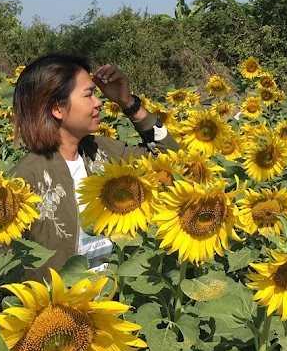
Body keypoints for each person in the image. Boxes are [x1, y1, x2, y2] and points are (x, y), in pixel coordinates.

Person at [10, 53, 178, 279]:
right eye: (89, 94)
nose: (99, 102)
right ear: (57, 108)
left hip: (113, 300)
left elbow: (171, 161)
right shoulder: (26, 178)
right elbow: (6, 263)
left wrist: (128, 103)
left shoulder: (101, 151)